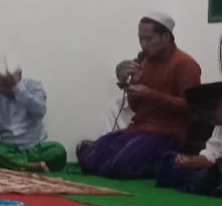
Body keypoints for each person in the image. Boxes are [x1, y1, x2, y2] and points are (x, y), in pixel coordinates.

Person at [78, 11, 202, 178]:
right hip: (139, 129)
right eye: (140, 39)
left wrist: (150, 94)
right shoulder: (145, 63)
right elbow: (137, 108)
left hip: (168, 134)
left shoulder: (186, 64)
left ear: (166, 37)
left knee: (119, 165)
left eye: (148, 39)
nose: (143, 44)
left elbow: (191, 107)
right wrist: (133, 84)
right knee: (88, 154)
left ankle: (162, 162)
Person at [155, 82, 222, 194]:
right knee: (168, 158)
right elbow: (213, 149)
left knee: (204, 178)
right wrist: (195, 160)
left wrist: (209, 164)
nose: (212, 122)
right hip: (217, 169)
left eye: (212, 118)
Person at [105, 59, 136, 133]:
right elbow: (107, 135)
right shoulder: (115, 109)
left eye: (132, 78)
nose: (130, 84)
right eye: (125, 80)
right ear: (121, 85)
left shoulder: (154, 103)